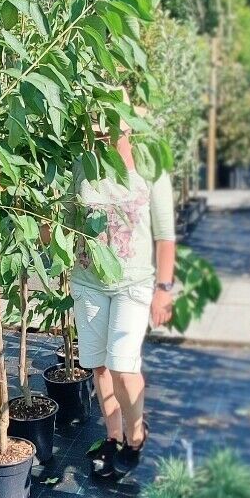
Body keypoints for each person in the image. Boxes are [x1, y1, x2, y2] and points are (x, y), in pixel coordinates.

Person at [70, 122, 176, 479]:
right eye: (95, 122)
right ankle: (113, 436)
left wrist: (164, 288)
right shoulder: (84, 164)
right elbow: (69, 220)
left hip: (134, 284)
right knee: (99, 365)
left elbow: (165, 236)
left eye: (110, 123)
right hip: (88, 282)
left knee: (123, 367)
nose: (101, 130)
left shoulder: (150, 167)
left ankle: (135, 435)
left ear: (128, 124)